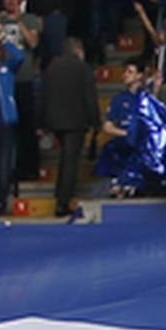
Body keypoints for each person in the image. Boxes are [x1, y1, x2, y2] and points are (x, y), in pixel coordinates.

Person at [38, 31, 99, 219]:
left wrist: (41, 122)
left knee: (65, 159)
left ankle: (61, 196)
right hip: (75, 121)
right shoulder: (83, 68)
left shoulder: (51, 68)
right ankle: (63, 201)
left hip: (55, 121)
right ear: (78, 50)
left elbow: (41, 97)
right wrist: (95, 122)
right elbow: (90, 98)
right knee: (70, 162)